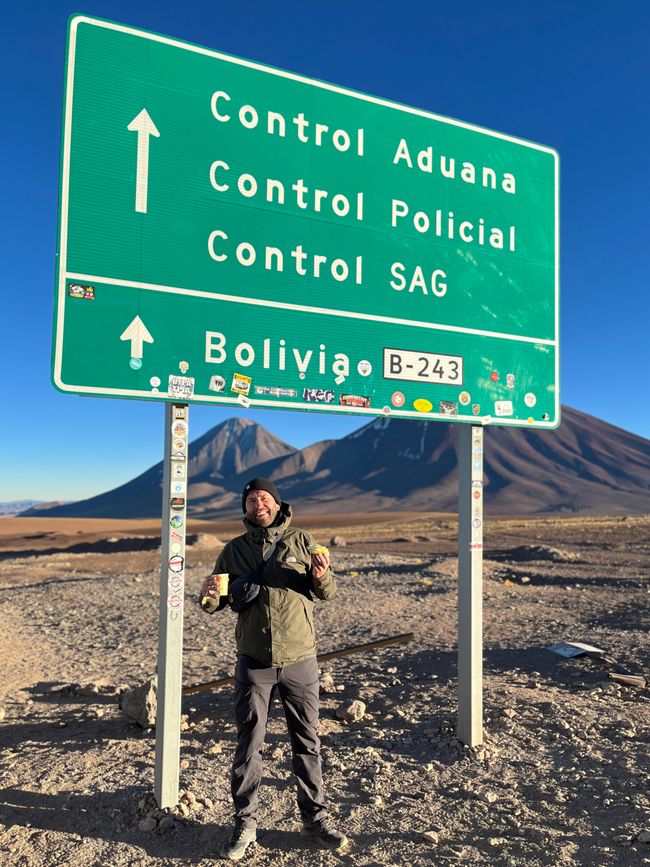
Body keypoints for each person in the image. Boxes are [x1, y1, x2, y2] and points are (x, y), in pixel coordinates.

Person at [200, 477, 348, 861]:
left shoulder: (302, 541)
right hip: (254, 662)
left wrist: (321, 576)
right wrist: (210, 596)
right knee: (249, 744)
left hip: (300, 659)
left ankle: (315, 821)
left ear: (278, 504)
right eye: (251, 500)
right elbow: (212, 603)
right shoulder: (232, 551)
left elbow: (327, 593)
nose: (258, 505)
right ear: (245, 509)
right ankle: (245, 823)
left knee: (307, 741)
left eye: (264, 498)